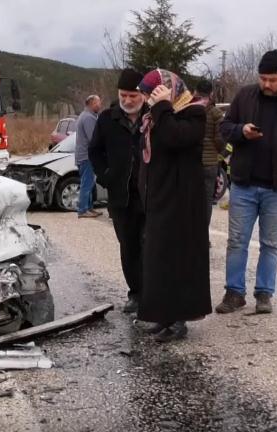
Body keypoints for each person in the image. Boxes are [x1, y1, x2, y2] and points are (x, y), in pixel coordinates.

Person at [217, 50, 277, 315]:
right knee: (237, 241)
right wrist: (241, 131)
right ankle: (234, 293)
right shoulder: (245, 95)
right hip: (244, 184)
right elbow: (224, 127)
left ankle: (264, 294)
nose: (267, 84)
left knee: (271, 244)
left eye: (272, 79)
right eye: (263, 78)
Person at [136, 69, 212, 342]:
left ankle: (180, 318)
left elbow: (174, 138)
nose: (146, 99)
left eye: (149, 93)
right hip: (161, 196)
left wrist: (163, 107)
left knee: (179, 260)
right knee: (158, 259)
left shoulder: (194, 113)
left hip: (183, 201)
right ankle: (163, 314)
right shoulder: (155, 116)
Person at [89, 68, 146, 313]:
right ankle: (136, 293)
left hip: (150, 196)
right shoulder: (107, 119)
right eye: (124, 95)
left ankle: (153, 294)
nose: (128, 100)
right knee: (129, 246)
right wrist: (106, 177)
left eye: (133, 95)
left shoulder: (153, 117)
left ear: (143, 95)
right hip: (121, 198)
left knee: (151, 246)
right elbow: (94, 151)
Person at [195, 80, 226, 228]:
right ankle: (202, 238)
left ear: (196, 92)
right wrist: (219, 152)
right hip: (210, 164)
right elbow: (221, 139)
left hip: (193, 162)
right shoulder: (216, 113)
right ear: (211, 94)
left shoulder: (190, 109)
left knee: (190, 200)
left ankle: (189, 237)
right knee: (206, 201)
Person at [75, 95, 103, 218]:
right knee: (86, 183)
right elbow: (93, 138)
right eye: (98, 103)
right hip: (86, 156)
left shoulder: (85, 115)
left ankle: (89, 208)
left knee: (90, 183)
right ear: (91, 103)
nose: (99, 105)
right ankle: (83, 210)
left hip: (84, 155)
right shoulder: (88, 118)